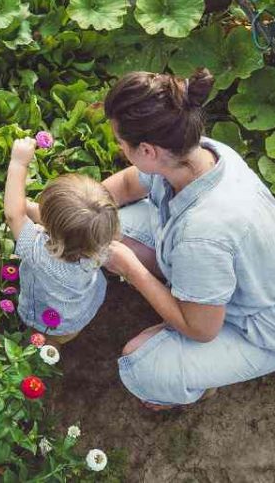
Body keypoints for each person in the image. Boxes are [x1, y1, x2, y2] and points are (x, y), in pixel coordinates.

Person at [102, 68, 275, 408]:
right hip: (237, 269)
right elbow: (123, 186)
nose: (119, 148)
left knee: (144, 368)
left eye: (121, 142)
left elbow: (201, 330)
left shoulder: (203, 235)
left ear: (148, 151)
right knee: (109, 226)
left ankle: (199, 382)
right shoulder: (198, 153)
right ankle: (185, 300)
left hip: (259, 325)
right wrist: (79, 209)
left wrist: (132, 269)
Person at [4, 137, 119, 345]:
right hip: (79, 311)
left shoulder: (38, 253)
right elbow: (69, 229)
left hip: (48, 320)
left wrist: (18, 163)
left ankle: (37, 357)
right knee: (61, 337)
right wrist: (30, 209)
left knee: (41, 343)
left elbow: (14, 215)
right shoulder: (101, 243)